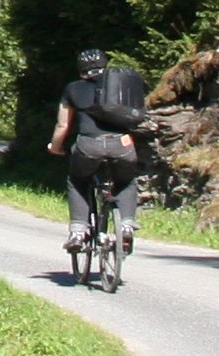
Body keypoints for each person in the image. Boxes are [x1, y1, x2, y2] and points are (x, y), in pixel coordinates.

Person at [46, 49, 152, 258]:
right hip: (122, 145)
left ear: (80, 70)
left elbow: (63, 125)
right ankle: (127, 226)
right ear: (106, 64)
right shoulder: (122, 84)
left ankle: (77, 231)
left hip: (89, 146)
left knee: (77, 181)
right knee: (126, 181)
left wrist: (55, 147)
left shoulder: (73, 89)